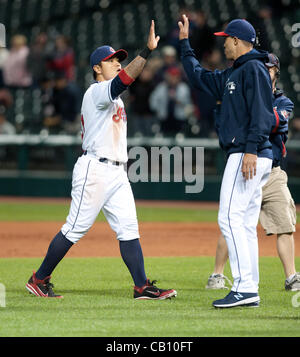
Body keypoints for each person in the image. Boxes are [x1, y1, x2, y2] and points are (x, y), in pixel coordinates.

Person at [25, 21, 177, 301]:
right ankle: (39, 278)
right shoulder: (97, 92)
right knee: (75, 228)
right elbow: (126, 80)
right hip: (95, 169)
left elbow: (125, 82)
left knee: (128, 228)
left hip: (118, 172)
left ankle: (141, 286)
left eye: (119, 59)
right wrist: (147, 50)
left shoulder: (115, 99)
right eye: (111, 60)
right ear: (97, 68)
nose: (118, 63)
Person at [179, 16, 274, 308]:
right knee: (243, 224)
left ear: (236, 40)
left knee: (229, 217)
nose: (223, 44)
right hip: (250, 152)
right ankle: (250, 287)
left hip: (247, 153)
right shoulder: (235, 72)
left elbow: (263, 113)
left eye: (226, 39)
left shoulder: (254, 68)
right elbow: (199, 77)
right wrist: (185, 44)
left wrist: (250, 149)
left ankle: (244, 288)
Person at [206, 53, 300, 292]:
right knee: (232, 221)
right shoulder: (242, 98)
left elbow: (270, 122)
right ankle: (217, 274)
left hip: (272, 173)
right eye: (260, 68)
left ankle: (292, 277)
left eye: (268, 69)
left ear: (276, 72)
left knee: (284, 224)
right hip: (244, 168)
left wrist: (252, 115)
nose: (263, 72)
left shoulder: (282, 101)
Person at [149, 65, 193, 137]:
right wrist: (157, 110)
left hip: (179, 118)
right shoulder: (161, 87)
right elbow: (153, 100)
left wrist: (176, 99)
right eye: (171, 76)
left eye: (175, 77)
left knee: (179, 137)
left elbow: (187, 104)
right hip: (164, 118)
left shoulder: (183, 88)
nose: (173, 79)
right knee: (163, 136)